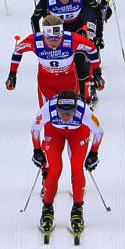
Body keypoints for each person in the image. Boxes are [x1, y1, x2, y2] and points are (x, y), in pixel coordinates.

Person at [31, 90, 103, 236]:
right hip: (54, 132)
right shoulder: (49, 108)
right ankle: (47, 208)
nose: (65, 117)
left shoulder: (84, 110)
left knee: (77, 168)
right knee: (55, 169)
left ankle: (77, 209)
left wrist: (94, 153)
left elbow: (99, 131)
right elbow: (35, 128)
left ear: (75, 109)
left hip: (78, 132)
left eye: (69, 113)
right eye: (62, 113)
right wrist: (37, 150)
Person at [10, 15, 101, 106]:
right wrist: (12, 74)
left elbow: (92, 49)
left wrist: (97, 73)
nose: (54, 42)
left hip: (69, 81)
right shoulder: (35, 41)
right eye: (49, 38)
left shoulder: (72, 39)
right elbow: (18, 50)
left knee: (70, 114)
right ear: (44, 34)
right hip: (46, 82)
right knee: (48, 115)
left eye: (58, 38)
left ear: (62, 33)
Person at [31, 0, 105, 52]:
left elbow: (98, 11)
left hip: (77, 27)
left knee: (81, 55)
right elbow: (34, 19)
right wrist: (38, 39)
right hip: (56, 31)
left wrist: (99, 36)